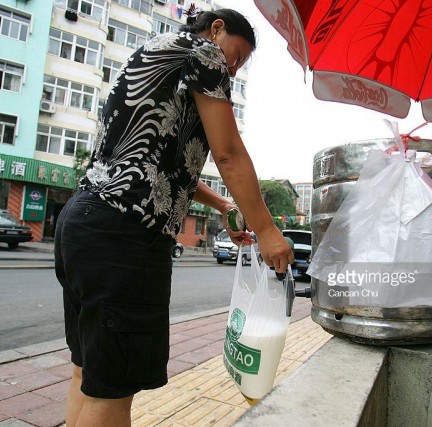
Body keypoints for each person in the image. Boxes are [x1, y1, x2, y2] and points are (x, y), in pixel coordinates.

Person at [54, 8, 294, 426]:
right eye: (236, 58)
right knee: (112, 390)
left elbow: (155, 163)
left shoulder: (153, 51)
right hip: (124, 235)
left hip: (83, 222)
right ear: (216, 29)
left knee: (89, 375)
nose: (232, 71)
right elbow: (228, 153)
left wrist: (221, 205)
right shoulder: (205, 54)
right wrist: (268, 230)